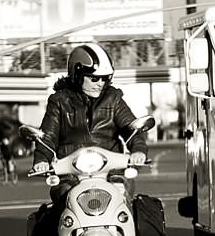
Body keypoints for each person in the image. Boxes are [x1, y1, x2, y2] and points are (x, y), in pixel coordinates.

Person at [30, 42, 147, 208]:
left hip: (111, 170)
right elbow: (48, 136)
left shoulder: (113, 99)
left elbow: (131, 128)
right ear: (77, 75)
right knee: (63, 202)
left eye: (105, 78)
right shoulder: (59, 101)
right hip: (70, 173)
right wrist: (42, 159)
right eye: (94, 78)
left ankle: (128, 231)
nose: (100, 83)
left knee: (122, 198)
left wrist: (139, 150)